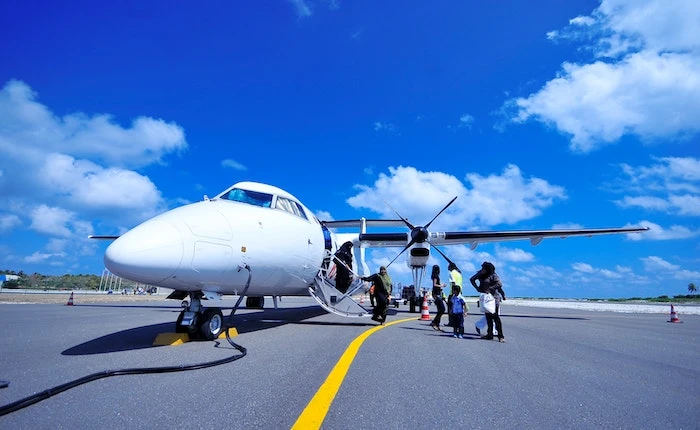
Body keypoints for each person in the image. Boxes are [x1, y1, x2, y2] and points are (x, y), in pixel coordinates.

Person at [470, 261, 506, 343]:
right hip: (485, 298)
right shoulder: (480, 274)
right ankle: (489, 334)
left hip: (494, 299)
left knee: (495, 317)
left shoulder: (493, 275)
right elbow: (472, 279)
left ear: (488, 270)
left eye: (484, 268)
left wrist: (490, 289)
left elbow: (499, 285)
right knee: (488, 317)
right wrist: (477, 288)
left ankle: (501, 336)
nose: (482, 269)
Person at [429, 265, 447, 331]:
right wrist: (442, 285)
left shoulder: (435, 276)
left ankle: (436, 324)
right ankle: (435, 322)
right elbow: (435, 284)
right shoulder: (436, 276)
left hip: (437, 293)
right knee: (442, 309)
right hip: (436, 294)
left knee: (440, 309)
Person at [446, 262, 463, 329]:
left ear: (450, 267)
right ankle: (458, 322)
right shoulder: (459, 274)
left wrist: (453, 293)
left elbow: (453, 283)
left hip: (453, 293)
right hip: (460, 292)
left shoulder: (451, 273)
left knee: (451, 308)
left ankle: (451, 322)